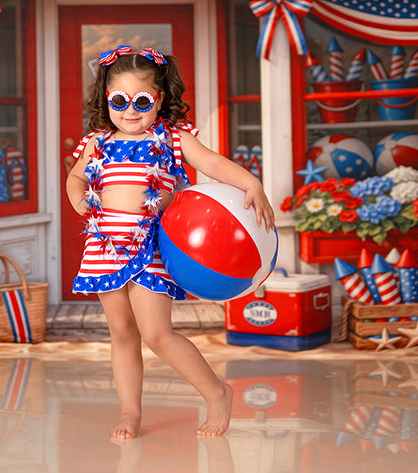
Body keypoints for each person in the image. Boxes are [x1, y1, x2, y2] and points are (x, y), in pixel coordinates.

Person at [66, 45, 275, 440]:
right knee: (122, 333)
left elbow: (212, 163)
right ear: (105, 100)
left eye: (142, 100)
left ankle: (216, 392)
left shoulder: (173, 138)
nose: (130, 110)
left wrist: (250, 182)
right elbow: (77, 177)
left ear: (158, 100)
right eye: (119, 100)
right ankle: (130, 412)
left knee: (157, 334)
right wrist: (78, 197)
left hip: (151, 248)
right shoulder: (96, 142)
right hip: (104, 246)